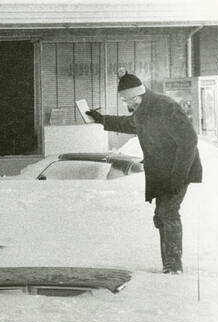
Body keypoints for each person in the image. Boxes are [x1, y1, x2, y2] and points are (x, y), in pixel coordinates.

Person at [86, 72, 202, 274]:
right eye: (124, 100)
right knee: (161, 215)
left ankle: (173, 267)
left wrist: (178, 177)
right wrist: (102, 119)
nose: (127, 104)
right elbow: (129, 124)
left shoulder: (166, 106)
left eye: (129, 99)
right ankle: (170, 264)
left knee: (168, 212)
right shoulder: (143, 109)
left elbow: (189, 141)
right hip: (161, 171)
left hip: (178, 169)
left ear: (138, 94)